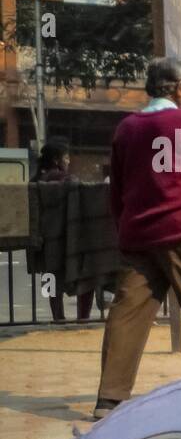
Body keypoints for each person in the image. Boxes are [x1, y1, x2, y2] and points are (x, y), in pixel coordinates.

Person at [94, 57, 181, 419]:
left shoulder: (126, 128)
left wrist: (123, 231)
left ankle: (109, 398)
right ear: (180, 88)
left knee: (127, 313)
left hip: (138, 234)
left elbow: (118, 190)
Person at [31, 137, 95, 322]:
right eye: (66, 157)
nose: (68, 161)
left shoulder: (36, 181)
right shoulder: (68, 181)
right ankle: (83, 318)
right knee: (86, 276)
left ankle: (57, 317)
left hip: (47, 242)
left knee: (50, 279)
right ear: (56, 160)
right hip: (69, 238)